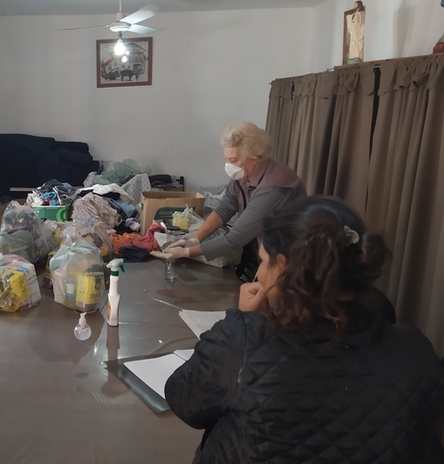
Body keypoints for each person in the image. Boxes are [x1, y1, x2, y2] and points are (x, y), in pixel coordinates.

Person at [164, 196, 444, 463]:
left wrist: (242, 323)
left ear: (284, 269)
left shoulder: (244, 340)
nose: (259, 274)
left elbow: (184, 401)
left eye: (263, 261)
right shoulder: (415, 348)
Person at [152, 122, 306, 282]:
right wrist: (194, 240)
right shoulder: (243, 175)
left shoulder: (275, 187)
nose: (229, 166)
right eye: (227, 159)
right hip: (265, 253)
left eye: (234, 160)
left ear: (255, 157)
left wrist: (187, 252)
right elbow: (225, 209)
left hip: (290, 259)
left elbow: (236, 237)